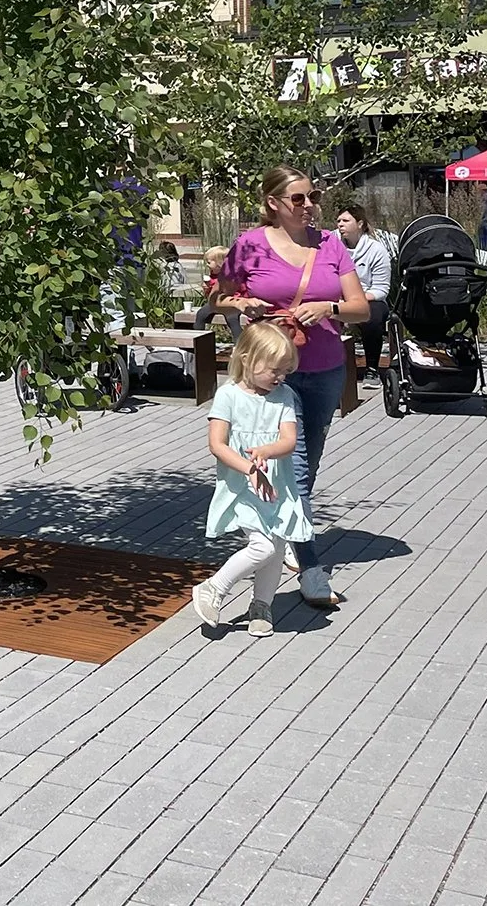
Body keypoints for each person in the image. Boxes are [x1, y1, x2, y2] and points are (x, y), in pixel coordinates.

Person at [214, 166, 370, 611]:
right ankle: (311, 568)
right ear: (273, 203)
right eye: (298, 198)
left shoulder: (330, 244)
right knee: (296, 468)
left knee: (307, 464)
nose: (308, 206)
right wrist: (242, 302)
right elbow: (218, 299)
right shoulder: (249, 246)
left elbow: (360, 308)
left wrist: (329, 307)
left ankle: (280, 536)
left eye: (312, 197)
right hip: (272, 374)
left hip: (323, 369)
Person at [190, 322, 312, 638]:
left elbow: (289, 441)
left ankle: (262, 605)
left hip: (278, 487)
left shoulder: (284, 396)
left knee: (277, 544)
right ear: (247, 359)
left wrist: (267, 451)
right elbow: (217, 445)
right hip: (242, 486)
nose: (280, 377)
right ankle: (214, 587)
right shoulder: (228, 395)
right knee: (262, 546)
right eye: (274, 370)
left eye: (284, 370)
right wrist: (250, 468)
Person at [336, 204, 393, 389]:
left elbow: (381, 289)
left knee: (373, 316)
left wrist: (355, 301)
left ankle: (372, 369)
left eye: (346, 220)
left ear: (360, 223)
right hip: (336, 297)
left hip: (369, 298)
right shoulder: (331, 245)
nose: (340, 224)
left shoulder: (376, 250)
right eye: (338, 221)